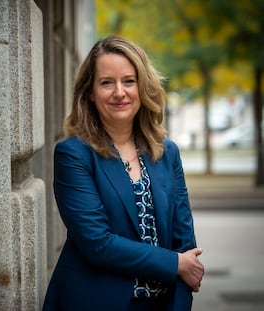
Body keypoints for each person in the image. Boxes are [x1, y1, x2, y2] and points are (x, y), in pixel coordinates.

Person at [42, 35, 204, 311]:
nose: (120, 92)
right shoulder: (74, 155)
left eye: (129, 81)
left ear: (142, 87)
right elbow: (97, 243)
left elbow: (185, 244)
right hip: (94, 301)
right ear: (90, 92)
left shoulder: (167, 153)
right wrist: (175, 264)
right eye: (107, 82)